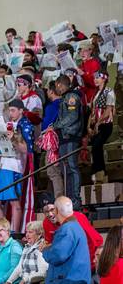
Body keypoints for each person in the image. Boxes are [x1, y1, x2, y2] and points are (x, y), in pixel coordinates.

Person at [0, 99, 34, 233]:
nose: (11, 113)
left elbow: (26, 149)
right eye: (10, 110)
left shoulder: (25, 124)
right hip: (1, 164)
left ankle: (15, 232)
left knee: (14, 200)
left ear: (21, 110)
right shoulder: (6, 123)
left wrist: (13, 138)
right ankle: (4, 231)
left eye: (13, 110)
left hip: (14, 166)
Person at [41, 196, 103, 272]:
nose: (50, 214)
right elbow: (50, 245)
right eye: (46, 211)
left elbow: (96, 241)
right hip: (66, 266)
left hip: (85, 265)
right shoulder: (46, 223)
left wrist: (89, 266)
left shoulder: (78, 218)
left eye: (52, 209)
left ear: (57, 209)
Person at [53, 75, 84, 210]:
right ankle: (70, 197)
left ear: (60, 84)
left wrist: (56, 125)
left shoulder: (72, 97)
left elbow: (72, 117)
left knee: (71, 167)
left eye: (56, 86)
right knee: (66, 169)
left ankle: (76, 198)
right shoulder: (64, 98)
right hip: (63, 137)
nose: (56, 89)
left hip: (71, 136)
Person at [88, 70, 115, 183]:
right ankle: (98, 171)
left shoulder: (109, 91)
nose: (95, 80)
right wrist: (89, 126)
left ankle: (100, 171)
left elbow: (108, 110)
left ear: (104, 78)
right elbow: (92, 111)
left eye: (98, 78)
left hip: (105, 124)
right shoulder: (95, 93)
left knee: (97, 146)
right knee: (95, 147)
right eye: (94, 78)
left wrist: (98, 122)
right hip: (97, 124)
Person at [42, 81, 64, 198]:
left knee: (53, 172)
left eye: (47, 90)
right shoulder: (64, 103)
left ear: (51, 91)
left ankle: (59, 199)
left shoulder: (51, 107)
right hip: (63, 140)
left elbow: (46, 125)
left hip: (53, 142)